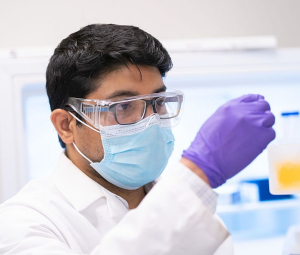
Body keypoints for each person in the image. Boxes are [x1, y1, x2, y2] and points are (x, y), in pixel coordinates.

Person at [0, 24, 275, 255]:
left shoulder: (193, 210)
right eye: (123, 107)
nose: (151, 120)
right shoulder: (23, 223)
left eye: (158, 102)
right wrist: (199, 172)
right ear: (67, 125)